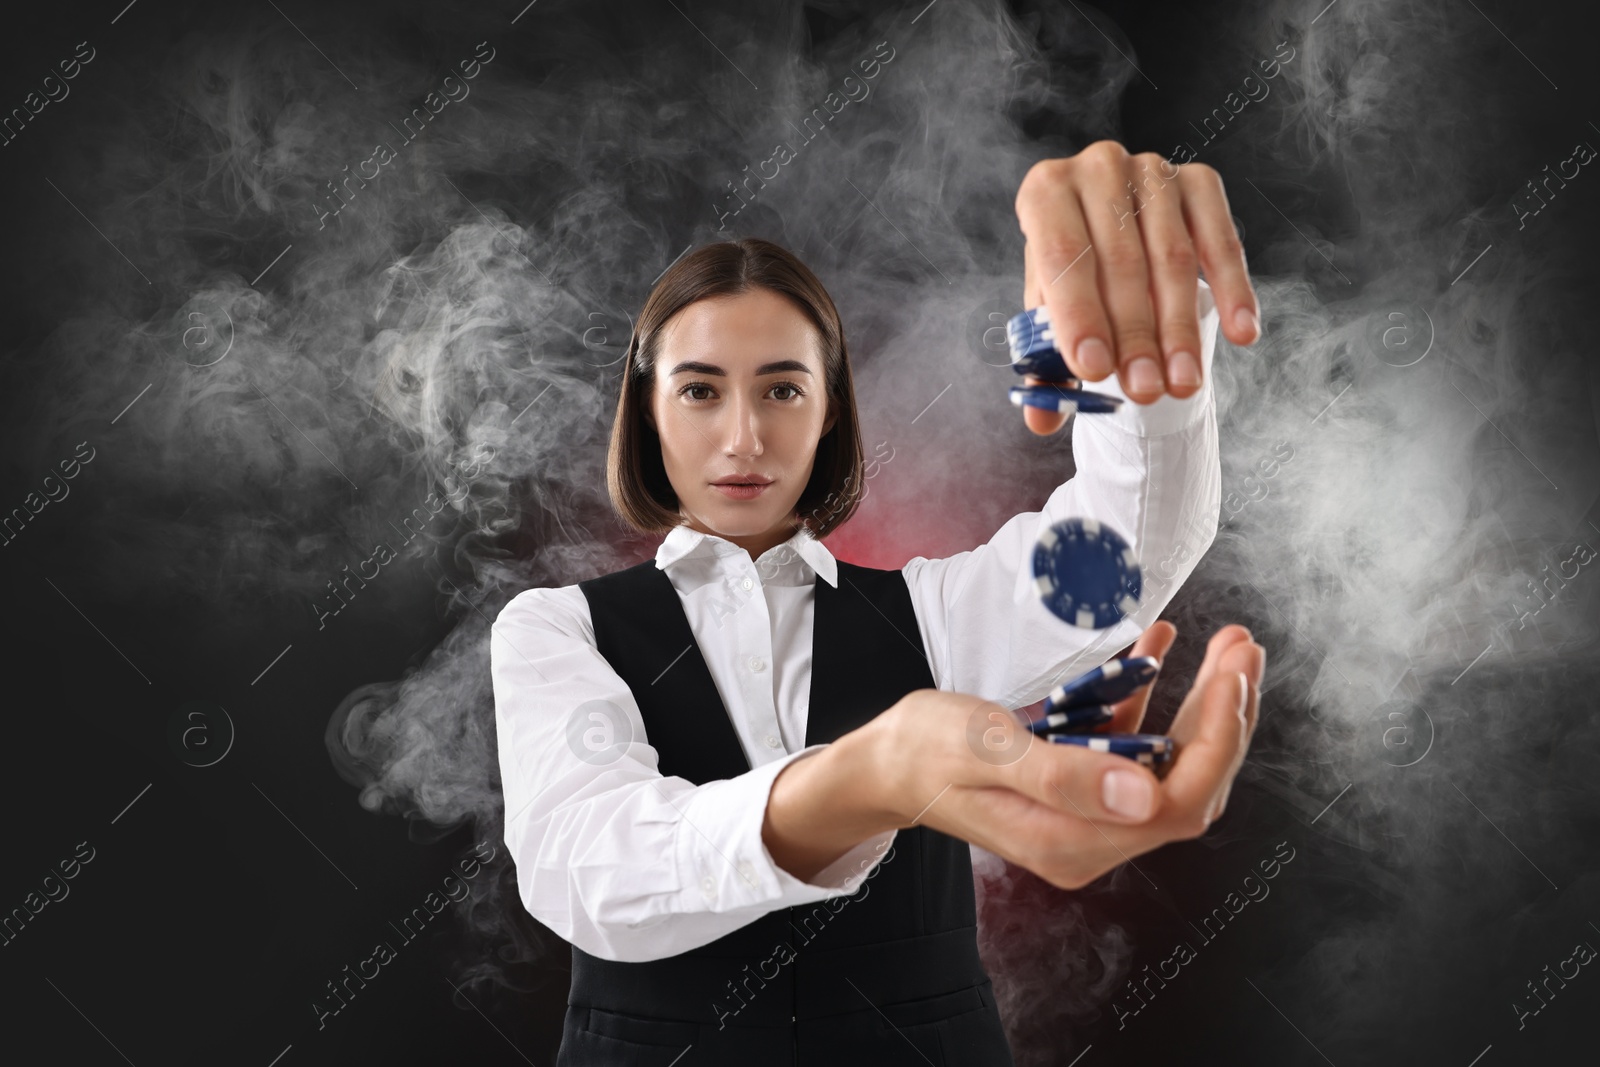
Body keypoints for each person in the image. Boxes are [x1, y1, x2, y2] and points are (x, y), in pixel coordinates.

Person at [491, 140, 1267, 1065]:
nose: (744, 436)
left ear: (829, 414)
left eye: (783, 387)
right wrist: (871, 778)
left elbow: (1124, 549)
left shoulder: (933, 616)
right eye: (699, 390)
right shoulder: (555, 629)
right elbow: (589, 866)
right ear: (649, 412)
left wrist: (1129, 334)